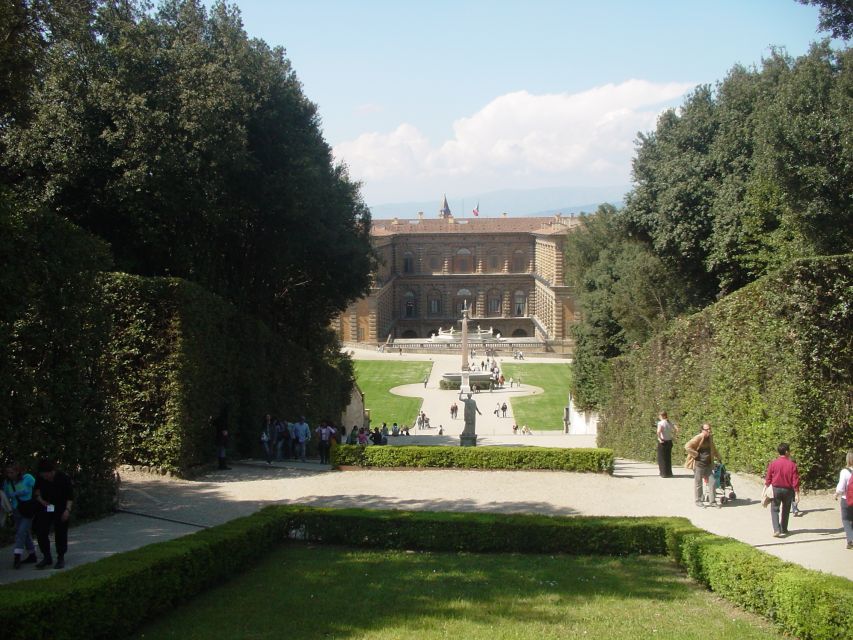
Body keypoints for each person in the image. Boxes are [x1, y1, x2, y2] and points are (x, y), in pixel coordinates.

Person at [33, 459, 74, 569]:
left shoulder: (63, 478)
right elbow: (36, 491)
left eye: (46, 475)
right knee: (41, 530)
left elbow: (70, 496)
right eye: (43, 475)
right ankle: (47, 557)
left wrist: (67, 510)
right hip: (48, 506)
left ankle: (60, 557)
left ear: (52, 471)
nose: (45, 477)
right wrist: (41, 501)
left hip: (60, 507)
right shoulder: (40, 478)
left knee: (60, 531)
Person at [3, 463, 38, 569]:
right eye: (8, 473)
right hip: (16, 510)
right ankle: (32, 554)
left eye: (12, 472)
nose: (10, 475)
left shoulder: (27, 478)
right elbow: (5, 495)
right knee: (24, 533)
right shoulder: (7, 483)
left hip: (27, 509)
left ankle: (17, 557)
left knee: (20, 533)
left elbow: (38, 488)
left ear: (18, 471)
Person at [765, 442, 800, 538]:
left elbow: (768, 478)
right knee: (786, 509)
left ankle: (776, 529)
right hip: (788, 490)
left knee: (774, 509)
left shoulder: (773, 463)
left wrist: (768, 486)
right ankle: (784, 528)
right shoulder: (792, 465)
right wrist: (797, 493)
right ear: (787, 452)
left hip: (776, 489)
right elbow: (795, 480)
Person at [684, 423, 722, 508]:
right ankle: (698, 501)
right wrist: (696, 454)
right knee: (698, 483)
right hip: (699, 464)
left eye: (709, 429)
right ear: (702, 430)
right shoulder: (699, 437)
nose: (709, 431)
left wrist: (719, 457)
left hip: (708, 464)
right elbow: (687, 446)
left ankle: (712, 501)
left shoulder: (710, 437)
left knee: (712, 482)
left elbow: (713, 448)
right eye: (707, 429)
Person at [833, 449, 853, 549]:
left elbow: (841, 487)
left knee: (846, 519)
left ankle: (851, 540)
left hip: (847, 499)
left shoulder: (845, 472)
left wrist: (836, 494)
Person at [656, 411, 679, 478]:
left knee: (662, 458)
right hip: (669, 441)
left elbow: (658, 432)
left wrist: (660, 439)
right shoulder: (669, 422)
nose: (659, 417)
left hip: (663, 442)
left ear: (662, 416)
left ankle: (663, 473)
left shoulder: (660, 423)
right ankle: (669, 473)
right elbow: (677, 429)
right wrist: (674, 436)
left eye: (659, 416)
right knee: (668, 458)